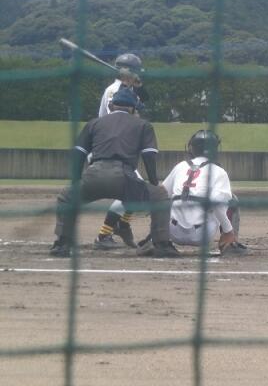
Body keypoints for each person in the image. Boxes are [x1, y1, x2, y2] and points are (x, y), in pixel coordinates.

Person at [49, 88, 178, 258]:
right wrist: (153, 184)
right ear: (133, 108)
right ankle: (162, 245)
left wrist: (77, 182)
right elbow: (149, 156)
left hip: (93, 175)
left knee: (66, 197)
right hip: (124, 178)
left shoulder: (94, 123)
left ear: (111, 105)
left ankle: (62, 243)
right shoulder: (143, 125)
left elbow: (79, 153)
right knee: (160, 197)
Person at [136, 130, 238, 256]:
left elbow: (161, 193)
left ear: (192, 148)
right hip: (202, 234)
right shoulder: (219, 171)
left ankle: (156, 240)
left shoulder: (180, 166)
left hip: (172, 232)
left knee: (162, 197)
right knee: (231, 199)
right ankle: (230, 244)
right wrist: (228, 230)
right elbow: (216, 203)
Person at [94, 53, 148, 250]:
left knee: (135, 189)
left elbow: (142, 104)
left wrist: (136, 88)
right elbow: (117, 120)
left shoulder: (125, 90)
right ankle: (105, 234)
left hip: (116, 148)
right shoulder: (115, 91)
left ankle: (122, 225)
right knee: (134, 188)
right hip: (110, 149)